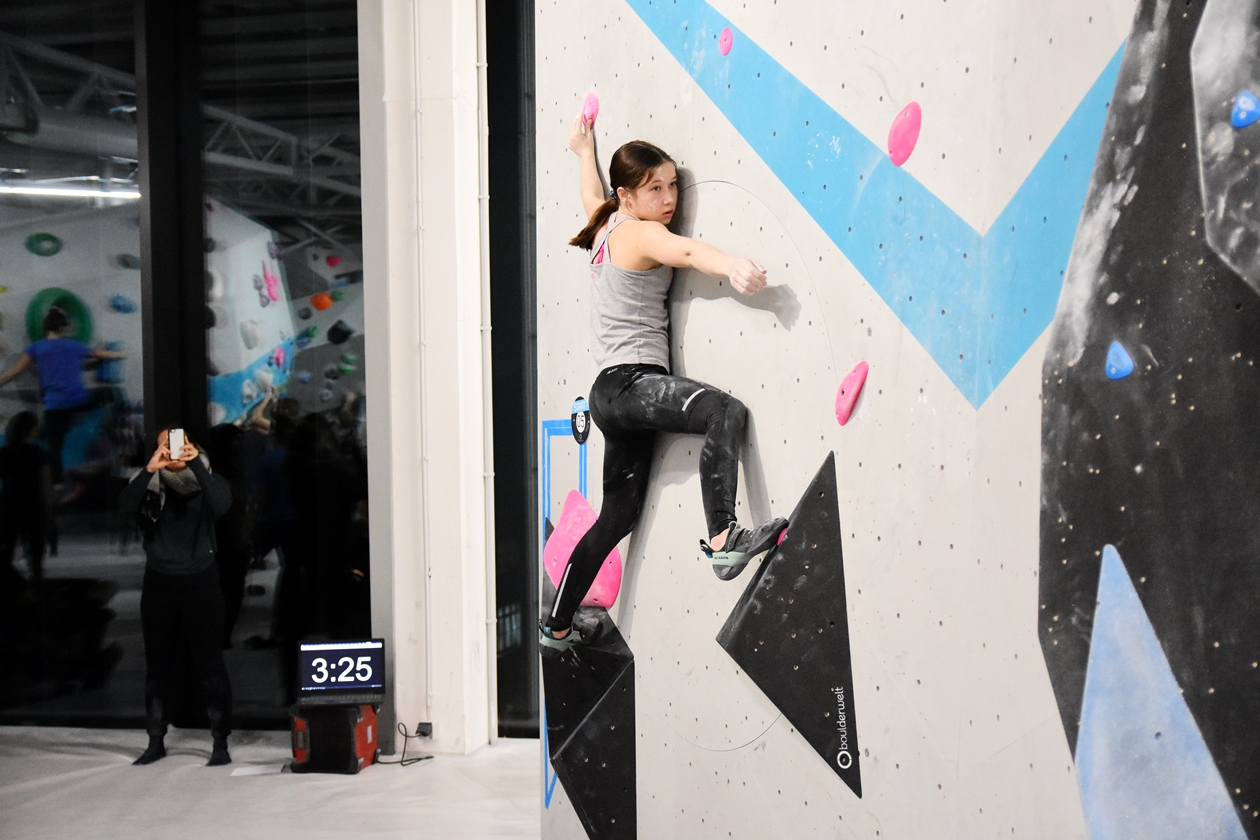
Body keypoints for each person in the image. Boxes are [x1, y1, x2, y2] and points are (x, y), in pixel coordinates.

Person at [540, 116, 788, 654]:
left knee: (616, 517)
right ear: (629, 195)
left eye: (673, 184)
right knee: (723, 411)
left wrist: (584, 151)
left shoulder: (606, 222)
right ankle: (723, 538)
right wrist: (734, 268)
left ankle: (556, 628)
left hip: (610, 394)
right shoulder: (642, 231)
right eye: (656, 188)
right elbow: (692, 254)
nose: (670, 197)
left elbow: (591, 193)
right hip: (632, 384)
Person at [118, 428, 234, 766]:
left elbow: (221, 505)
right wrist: (151, 469)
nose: (173, 452)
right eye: (164, 446)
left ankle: (220, 743)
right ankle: (155, 740)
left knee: (211, 665)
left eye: (179, 445)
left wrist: (195, 463)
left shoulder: (209, 479)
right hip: (160, 582)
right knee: (157, 666)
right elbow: (125, 506)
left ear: (193, 447)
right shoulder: (149, 483)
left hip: (201, 581)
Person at [0, 308, 126, 484]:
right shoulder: (73, 345)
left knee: (55, 447)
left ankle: (56, 485)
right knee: (110, 391)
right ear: (61, 327)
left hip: (55, 405)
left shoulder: (36, 348)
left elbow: (14, 372)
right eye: (67, 326)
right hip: (79, 399)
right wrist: (119, 354)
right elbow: (100, 354)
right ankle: (125, 419)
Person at [0, 412, 52, 584]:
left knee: (8, 549)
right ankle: (36, 583)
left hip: (10, 505)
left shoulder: (4, 453)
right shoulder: (36, 452)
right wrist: (48, 513)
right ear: (31, 430)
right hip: (32, 506)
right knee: (36, 550)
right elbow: (44, 486)